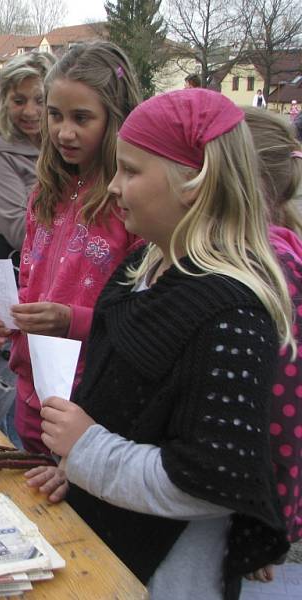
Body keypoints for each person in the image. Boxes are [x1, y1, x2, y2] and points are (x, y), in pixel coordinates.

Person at [35, 89, 292, 599]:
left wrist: (87, 450)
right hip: (104, 542)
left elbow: (209, 482)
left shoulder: (231, 314)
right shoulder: (142, 269)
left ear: (193, 185)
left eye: (131, 171)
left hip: (167, 573)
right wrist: (78, 469)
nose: (113, 185)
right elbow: (127, 413)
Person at [0, 42, 142, 454]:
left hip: (91, 402)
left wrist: (72, 320)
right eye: (55, 115)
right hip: (31, 388)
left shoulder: (130, 201)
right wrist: (11, 317)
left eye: (81, 118)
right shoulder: (46, 193)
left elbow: (145, 313)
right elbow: (33, 280)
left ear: (116, 117)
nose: (63, 132)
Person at [0, 51, 55, 445]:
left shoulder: (62, 145)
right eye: (19, 99)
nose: (30, 110)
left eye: (40, 99)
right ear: (5, 100)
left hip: (59, 278)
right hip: (12, 272)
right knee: (12, 384)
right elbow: (19, 230)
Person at [243, 107, 302, 578]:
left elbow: (279, 411)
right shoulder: (278, 249)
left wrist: (262, 525)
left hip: (252, 499)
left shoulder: (265, 268)